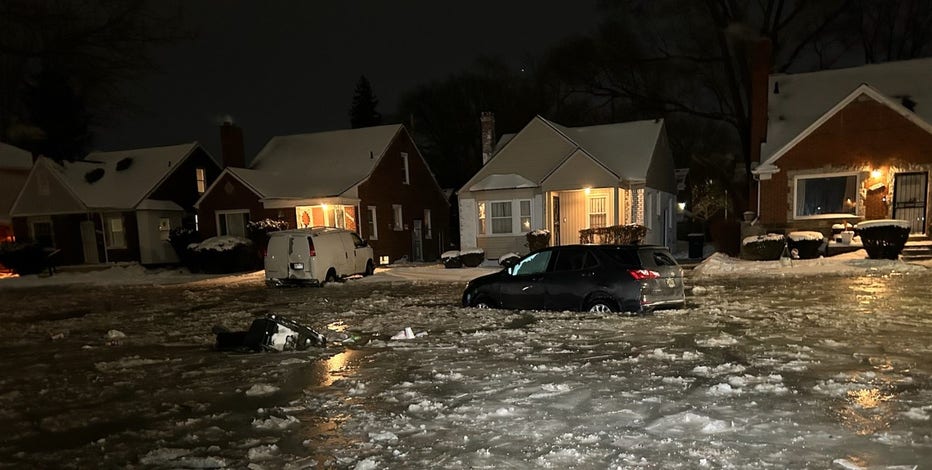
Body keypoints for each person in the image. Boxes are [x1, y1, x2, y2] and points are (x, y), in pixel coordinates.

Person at [213, 314, 326, 352]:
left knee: (243, 337)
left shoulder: (302, 339)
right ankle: (223, 337)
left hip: (261, 335)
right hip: (261, 335)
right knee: (242, 338)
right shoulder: (303, 340)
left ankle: (223, 337)